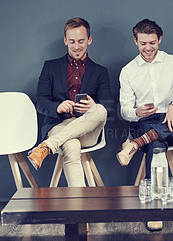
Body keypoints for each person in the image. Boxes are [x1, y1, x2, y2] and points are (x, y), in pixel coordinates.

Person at [117, 19, 173, 231]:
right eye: (143, 43)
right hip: (143, 122)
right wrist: (136, 112)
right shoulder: (128, 71)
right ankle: (155, 210)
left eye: (152, 42)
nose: (148, 48)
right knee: (156, 146)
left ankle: (135, 145)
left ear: (160, 39)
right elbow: (125, 111)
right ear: (135, 41)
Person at [27, 17, 112, 187]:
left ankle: (46, 147)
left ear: (89, 40)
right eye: (72, 41)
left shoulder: (100, 71)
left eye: (81, 41)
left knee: (101, 110)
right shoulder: (50, 67)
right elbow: (41, 102)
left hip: (88, 129)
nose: (77, 46)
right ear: (65, 41)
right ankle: (78, 206)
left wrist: (93, 106)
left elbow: (108, 107)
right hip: (59, 126)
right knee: (71, 145)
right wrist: (57, 107)